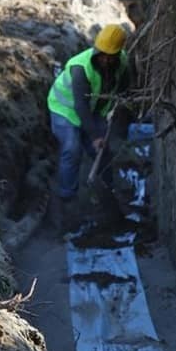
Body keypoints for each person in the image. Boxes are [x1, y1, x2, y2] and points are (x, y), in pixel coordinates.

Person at [46, 24, 130, 227]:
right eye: (102, 55)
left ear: (118, 54)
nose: (106, 60)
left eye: (111, 56)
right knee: (72, 148)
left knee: (103, 152)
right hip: (64, 109)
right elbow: (81, 106)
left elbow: (124, 89)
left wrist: (118, 113)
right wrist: (95, 136)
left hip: (94, 110)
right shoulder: (80, 68)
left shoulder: (123, 62)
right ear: (96, 49)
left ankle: (107, 192)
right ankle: (67, 198)